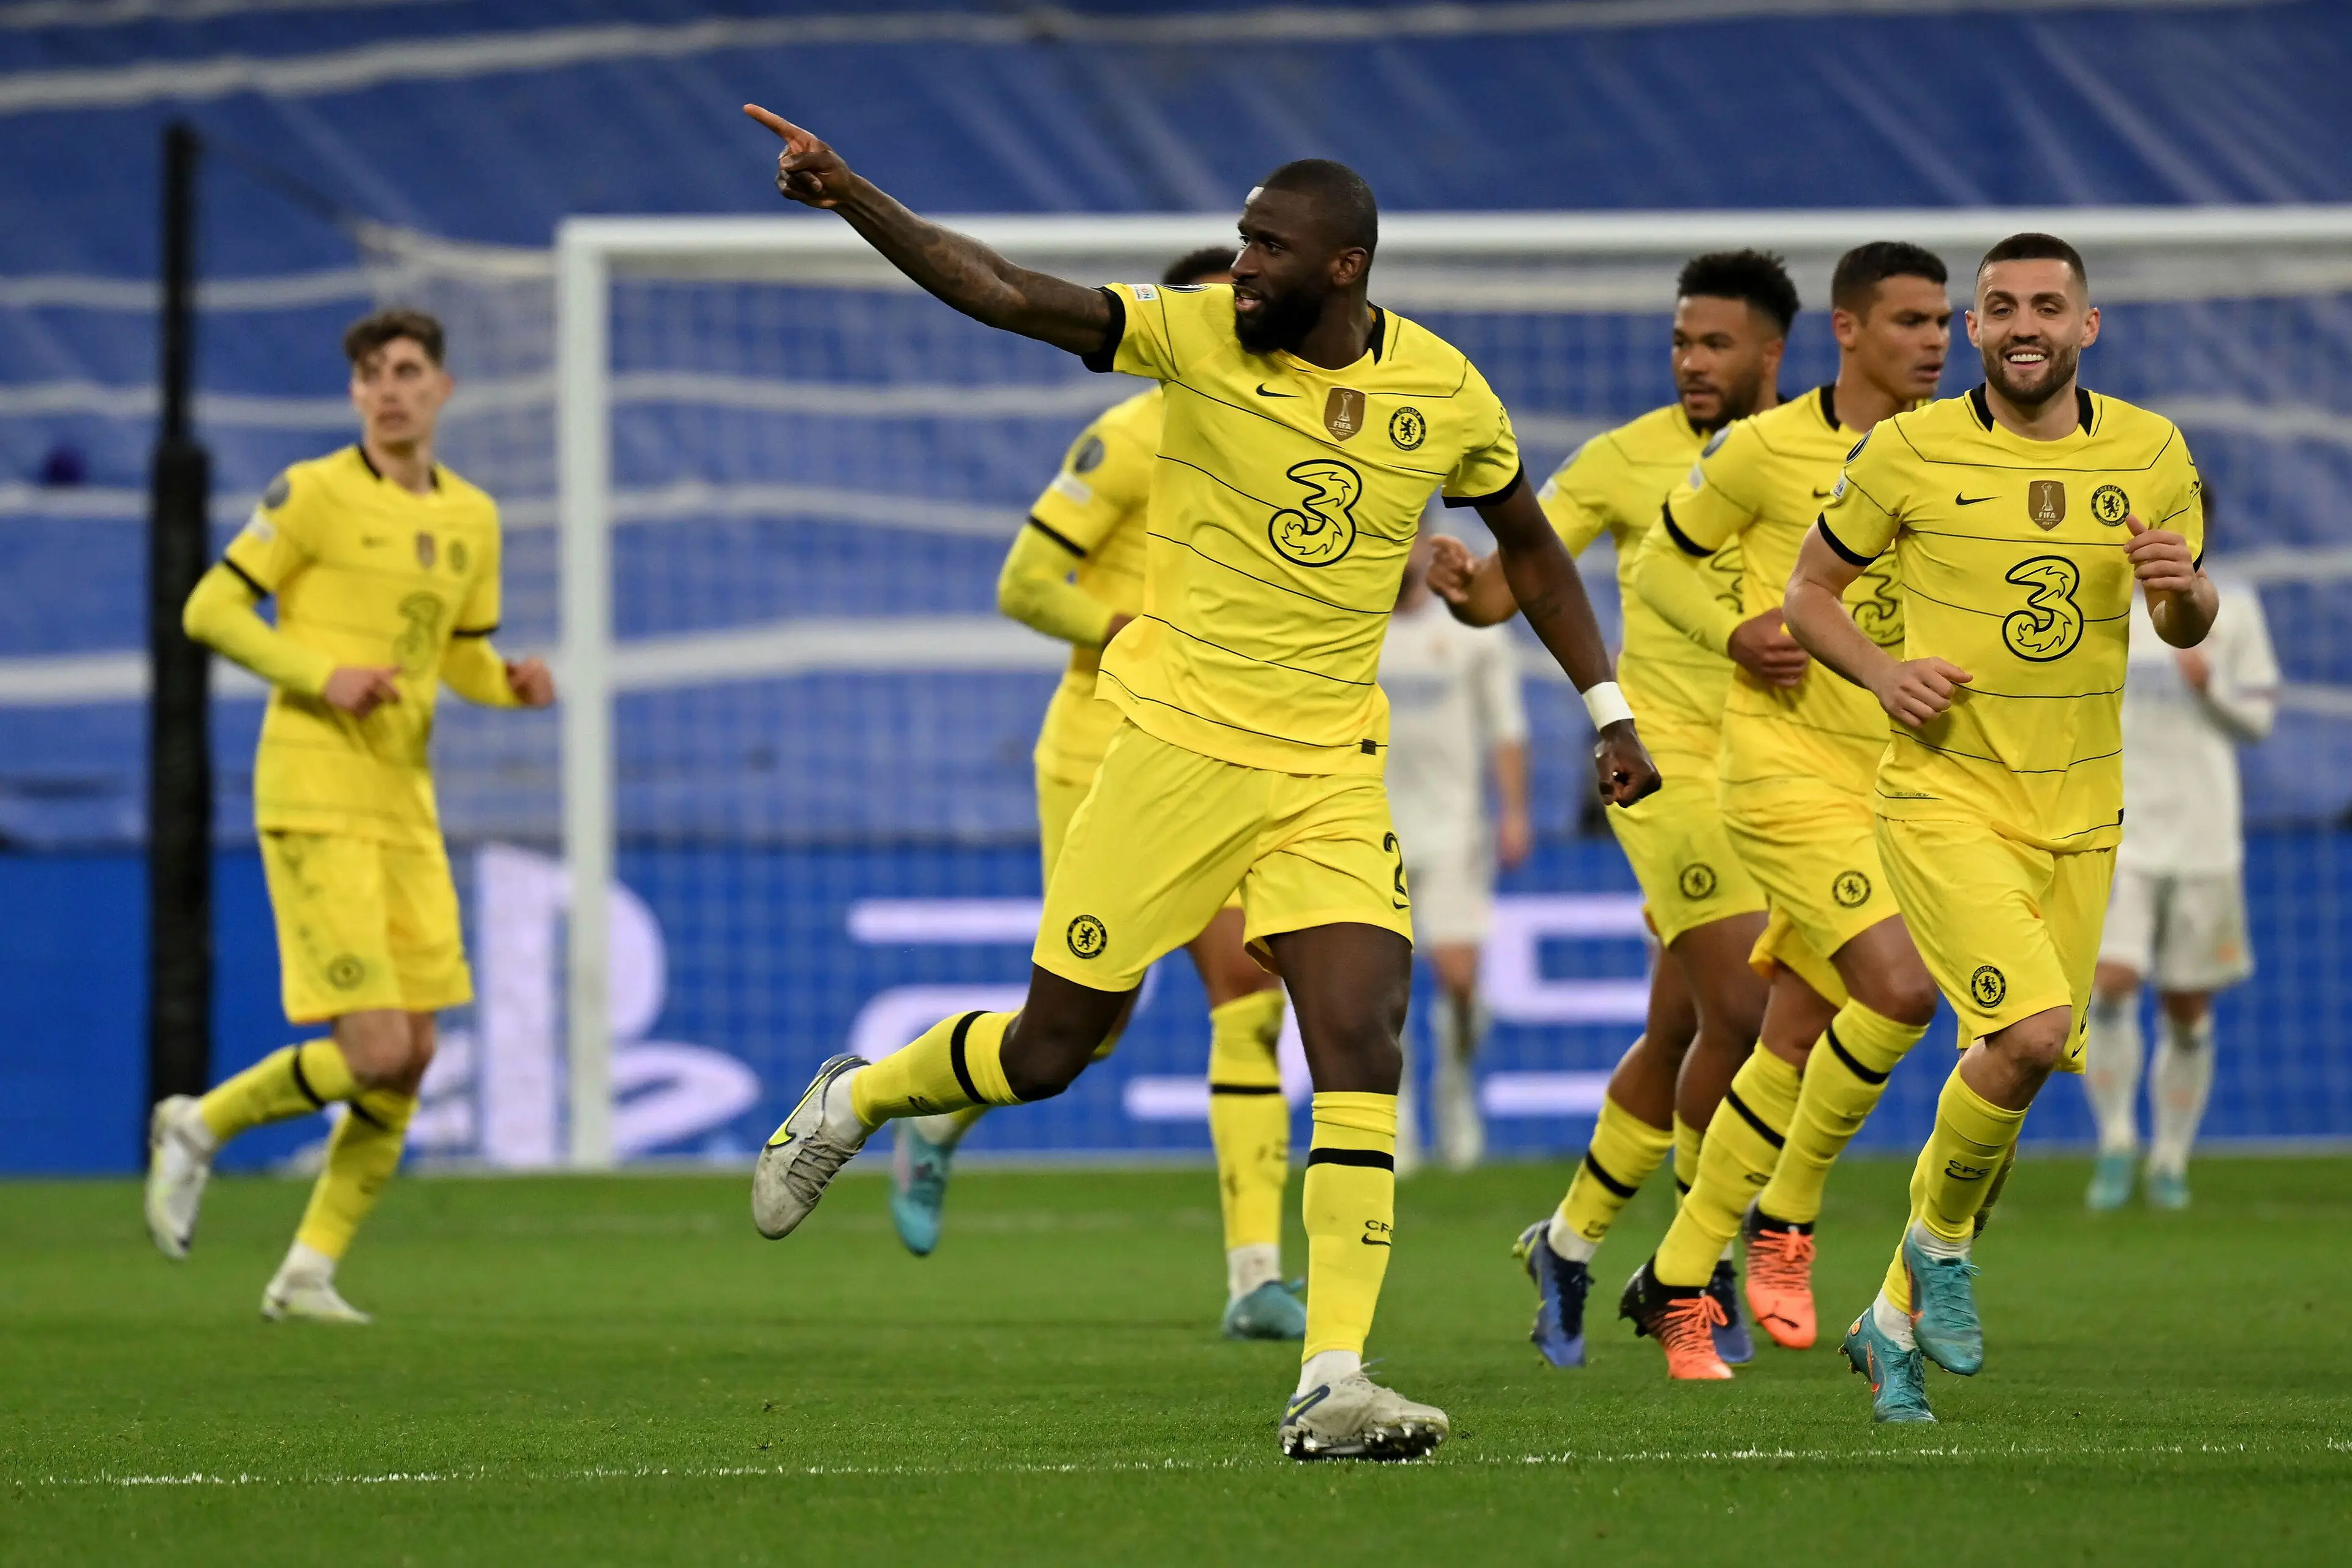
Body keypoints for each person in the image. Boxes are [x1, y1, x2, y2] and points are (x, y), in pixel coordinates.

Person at [739, 104, 1657, 1461]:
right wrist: (853, 194)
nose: (1242, 264)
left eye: (1268, 245)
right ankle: (859, 1099)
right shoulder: (1195, 337)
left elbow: (1530, 544)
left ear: (1344, 266)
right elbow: (1002, 292)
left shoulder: (1447, 392)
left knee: (1361, 1039)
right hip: (1172, 751)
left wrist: (1606, 708)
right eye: (1240, 240)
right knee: (1054, 1050)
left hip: (1328, 772)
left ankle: (1332, 1376)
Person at [1785, 232, 2211, 1423]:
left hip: (2083, 815)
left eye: (2048, 306)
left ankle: (1889, 1320)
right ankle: (1942, 1254)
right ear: (1974, 329)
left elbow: (2186, 622)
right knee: (2022, 1038)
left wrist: (2184, 589)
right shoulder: (1908, 450)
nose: (2027, 325)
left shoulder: (2153, 450)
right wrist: (1882, 673)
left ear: (2087, 326)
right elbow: (1808, 594)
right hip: (1946, 796)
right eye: (2002, 307)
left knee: (2009, 1090)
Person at [891, 243, 1306, 1343]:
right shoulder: (1124, 440)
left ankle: (1255, 1277)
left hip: (1216, 752)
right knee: (1084, 1033)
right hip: (1100, 755)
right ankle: (933, 1119)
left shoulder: (1276, 444)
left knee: (1249, 992)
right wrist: (1124, 628)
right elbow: (1024, 583)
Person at [144, 308, 556, 1321]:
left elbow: (456, 653)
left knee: (413, 1057)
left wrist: (509, 684)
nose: (389, 390)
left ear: (442, 389)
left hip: (404, 804)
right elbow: (209, 609)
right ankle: (198, 1124)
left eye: (407, 371)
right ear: (354, 394)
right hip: (316, 789)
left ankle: (307, 1273)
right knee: (374, 1051)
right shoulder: (312, 494)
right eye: (372, 374)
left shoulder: (473, 517)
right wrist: (322, 674)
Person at [1428, 250, 1798, 1370]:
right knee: (1745, 1017)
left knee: (1684, 1031)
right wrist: (1468, 587)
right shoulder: (1623, 459)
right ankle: (1701, 1267)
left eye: (1716, 343)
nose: (1692, 361)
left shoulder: (1821, 459)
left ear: (1773, 353)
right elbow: (1512, 585)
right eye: (1682, 341)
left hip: (1792, 779)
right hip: (1665, 774)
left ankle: (1569, 1243)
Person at [1615, 243, 1953, 1379]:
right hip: (1781, 774)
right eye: (1911, 321)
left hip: (1894, 778)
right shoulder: (1762, 449)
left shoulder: (1953, 451)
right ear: (1847, 330)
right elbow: (1658, 564)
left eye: (1942, 321)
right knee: (1900, 991)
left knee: (1794, 1036)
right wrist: (1733, 632)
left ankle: (1676, 1279)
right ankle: (1788, 1220)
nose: (1935, 341)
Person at [2083, 502, 2276, 1211]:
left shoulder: (2236, 610)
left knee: (2187, 1005)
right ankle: (2115, 1141)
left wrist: (2209, 685)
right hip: (2122, 829)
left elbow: (2259, 719)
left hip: (2203, 835)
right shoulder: (2101, 607)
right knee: (2110, 984)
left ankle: (2170, 1158)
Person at [1378, 532, 1532, 1174]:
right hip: (1370, 830)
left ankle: (1456, 1083)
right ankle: (1397, 1118)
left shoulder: (1471, 631)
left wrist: (1515, 812)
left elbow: (1507, 728)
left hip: (1454, 829)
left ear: (1425, 545)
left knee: (1460, 979)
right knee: (1383, 992)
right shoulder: (1350, 630)